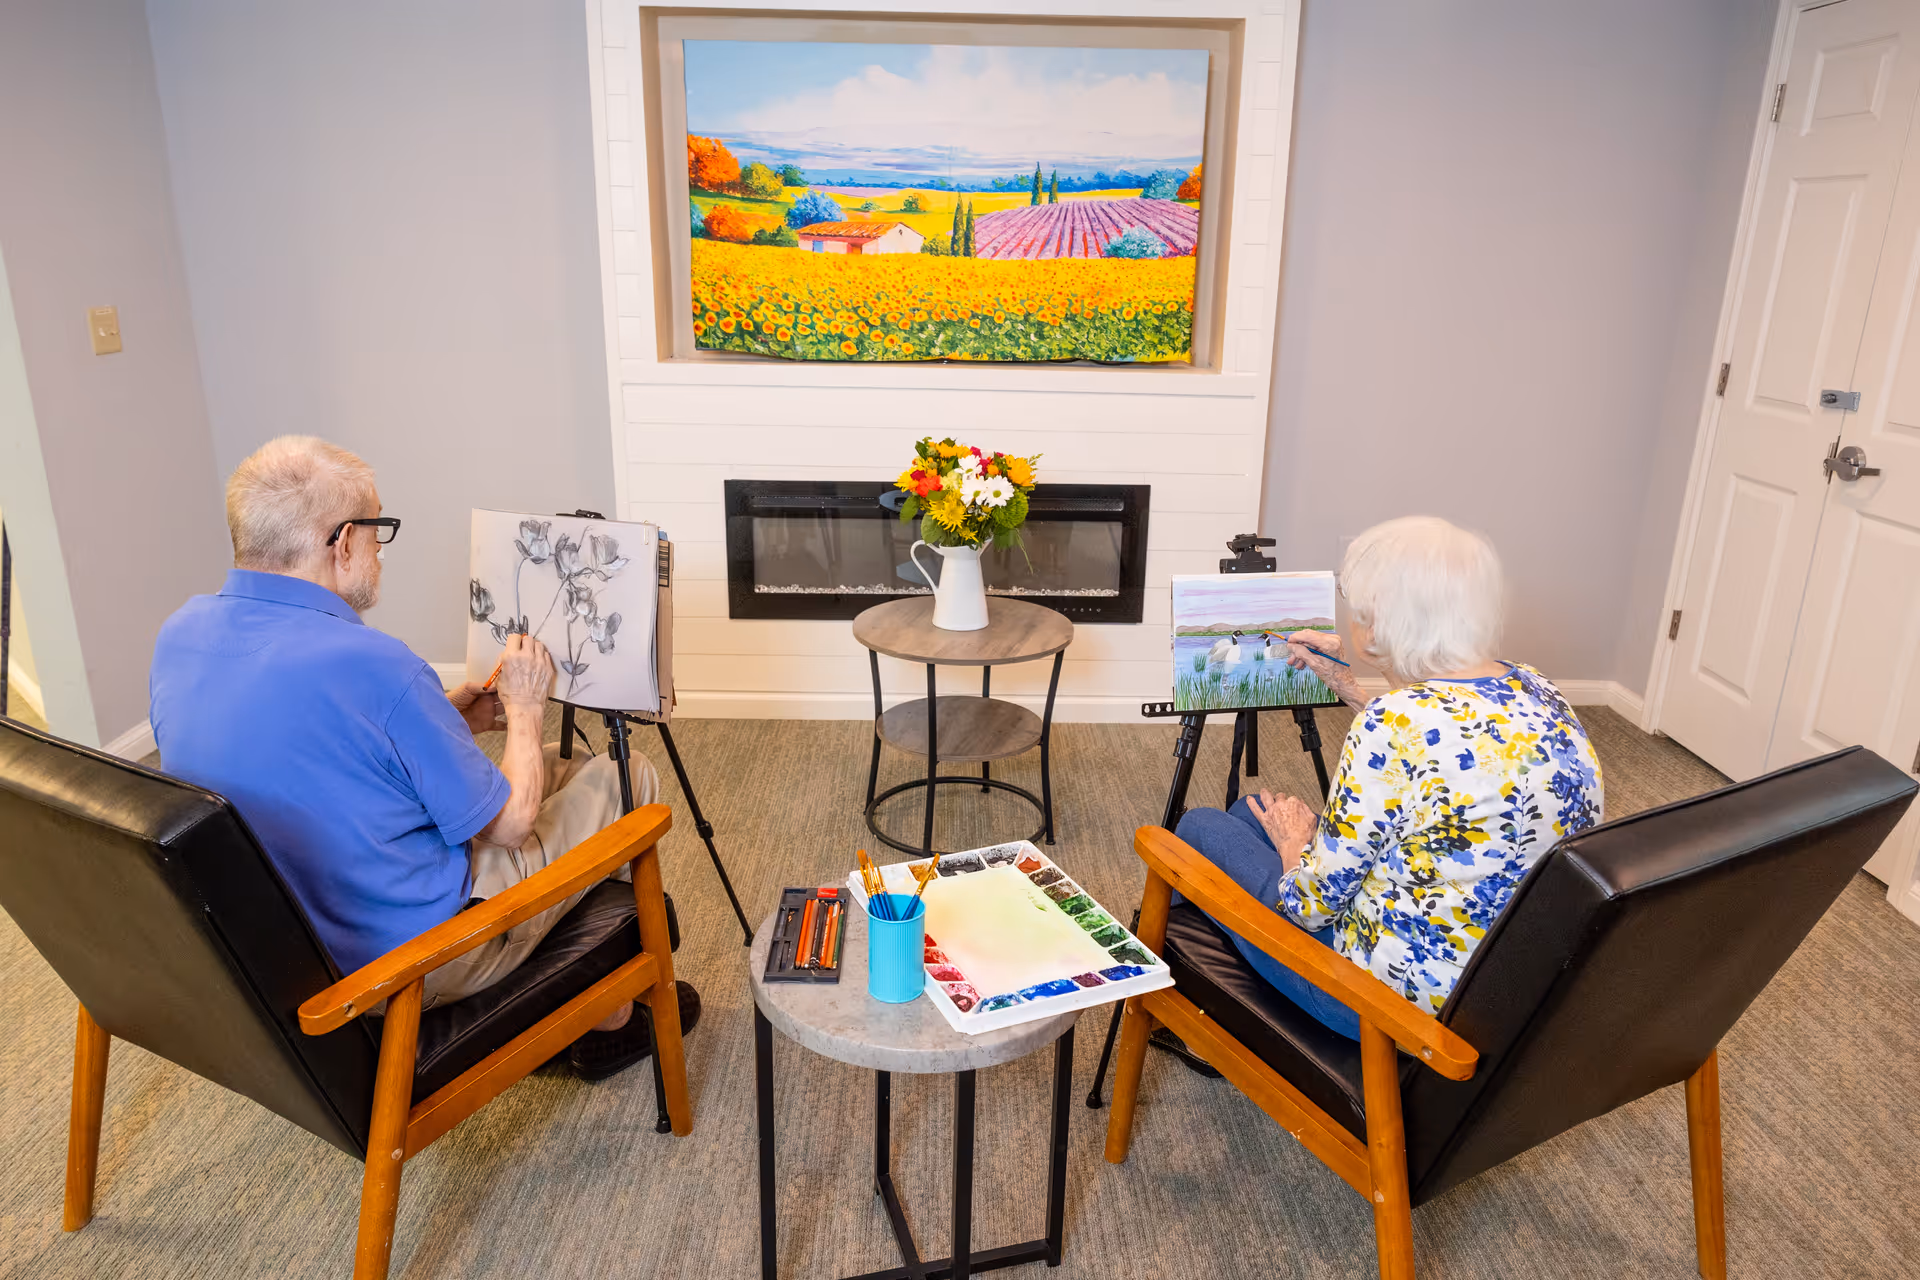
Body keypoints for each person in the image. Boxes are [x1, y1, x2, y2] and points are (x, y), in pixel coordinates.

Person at [150, 436, 696, 1080]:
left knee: (556, 766)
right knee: (625, 779)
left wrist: (443, 715)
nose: (380, 552)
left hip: (298, 936)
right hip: (416, 956)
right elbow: (511, 826)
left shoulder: (180, 635)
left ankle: (592, 988)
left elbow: (321, 748)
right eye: (378, 531)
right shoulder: (375, 665)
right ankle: (604, 1013)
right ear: (343, 540)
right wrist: (523, 706)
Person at [1172, 516, 1603, 1039]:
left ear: (1377, 626)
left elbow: (1308, 906)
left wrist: (1294, 847)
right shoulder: (1536, 688)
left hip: (1384, 1003)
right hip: (1506, 985)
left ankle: (1177, 991)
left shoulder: (1393, 724)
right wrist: (1347, 685)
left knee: (1198, 828)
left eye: (1360, 614)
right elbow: (1452, 748)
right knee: (1247, 814)